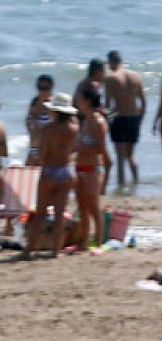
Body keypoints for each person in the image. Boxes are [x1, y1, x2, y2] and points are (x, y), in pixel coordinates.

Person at [28, 94, 80, 256]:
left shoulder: (48, 129)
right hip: (65, 170)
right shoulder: (74, 129)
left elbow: (42, 153)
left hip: (50, 170)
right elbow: (74, 149)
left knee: (40, 212)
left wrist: (42, 163)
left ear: (55, 111)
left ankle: (30, 248)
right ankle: (56, 250)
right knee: (59, 213)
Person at [74, 88, 110, 247]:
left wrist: (82, 149)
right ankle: (84, 241)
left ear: (88, 101)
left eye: (80, 99)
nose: (77, 102)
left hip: (92, 168)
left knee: (93, 206)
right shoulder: (85, 120)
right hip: (80, 166)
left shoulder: (98, 121)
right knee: (81, 205)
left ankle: (100, 240)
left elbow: (101, 149)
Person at [104, 51, 146, 188]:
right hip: (134, 118)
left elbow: (108, 105)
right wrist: (140, 120)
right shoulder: (136, 76)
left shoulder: (111, 78)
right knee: (131, 155)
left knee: (120, 157)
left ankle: (121, 186)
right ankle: (136, 182)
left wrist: (107, 121)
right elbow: (143, 102)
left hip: (120, 118)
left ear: (111, 62)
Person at [25, 74, 56, 165]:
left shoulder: (55, 106)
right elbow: (29, 126)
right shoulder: (34, 104)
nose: (42, 91)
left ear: (51, 88)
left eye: (46, 88)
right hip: (34, 150)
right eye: (40, 87)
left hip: (49, 152)